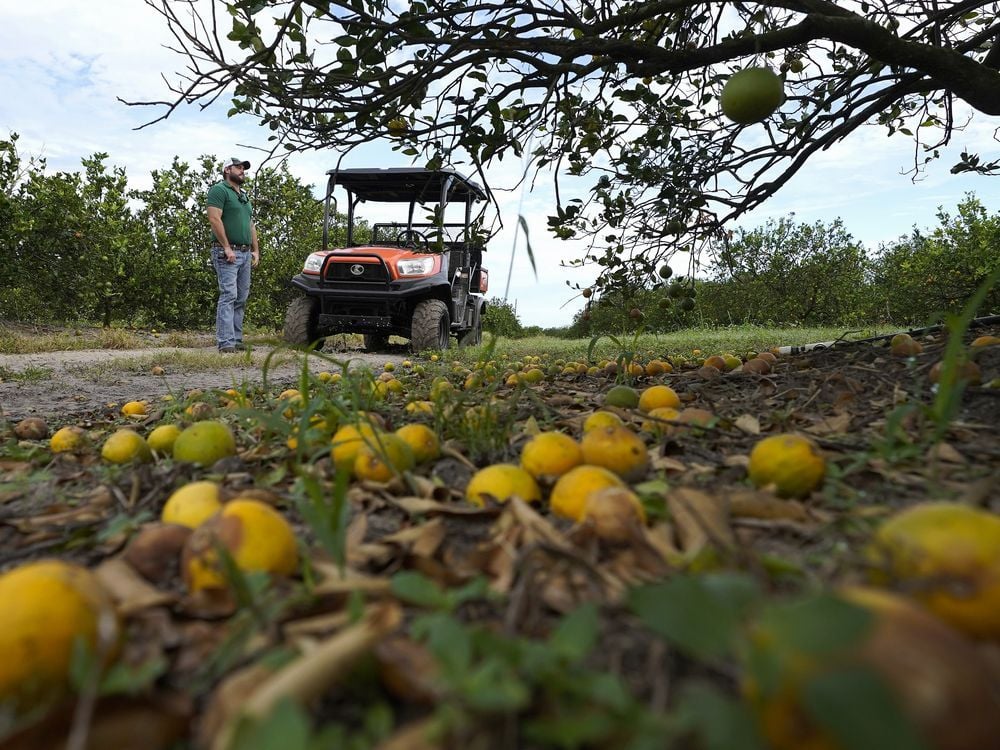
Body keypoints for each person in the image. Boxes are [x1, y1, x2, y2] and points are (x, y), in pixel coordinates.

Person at [206, 157, 259, 352]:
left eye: (244, 167)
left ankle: (236, 340)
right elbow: (214, 218)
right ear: (227, 169)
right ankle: (225, 342)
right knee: (229, 295)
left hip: (245, 253)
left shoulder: (244, 196)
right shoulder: (219, 190)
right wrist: (226, 247)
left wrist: (256, 250)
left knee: (241, 297)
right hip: (227, 252)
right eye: (239, 167)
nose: (242, 170)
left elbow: (250, 224)